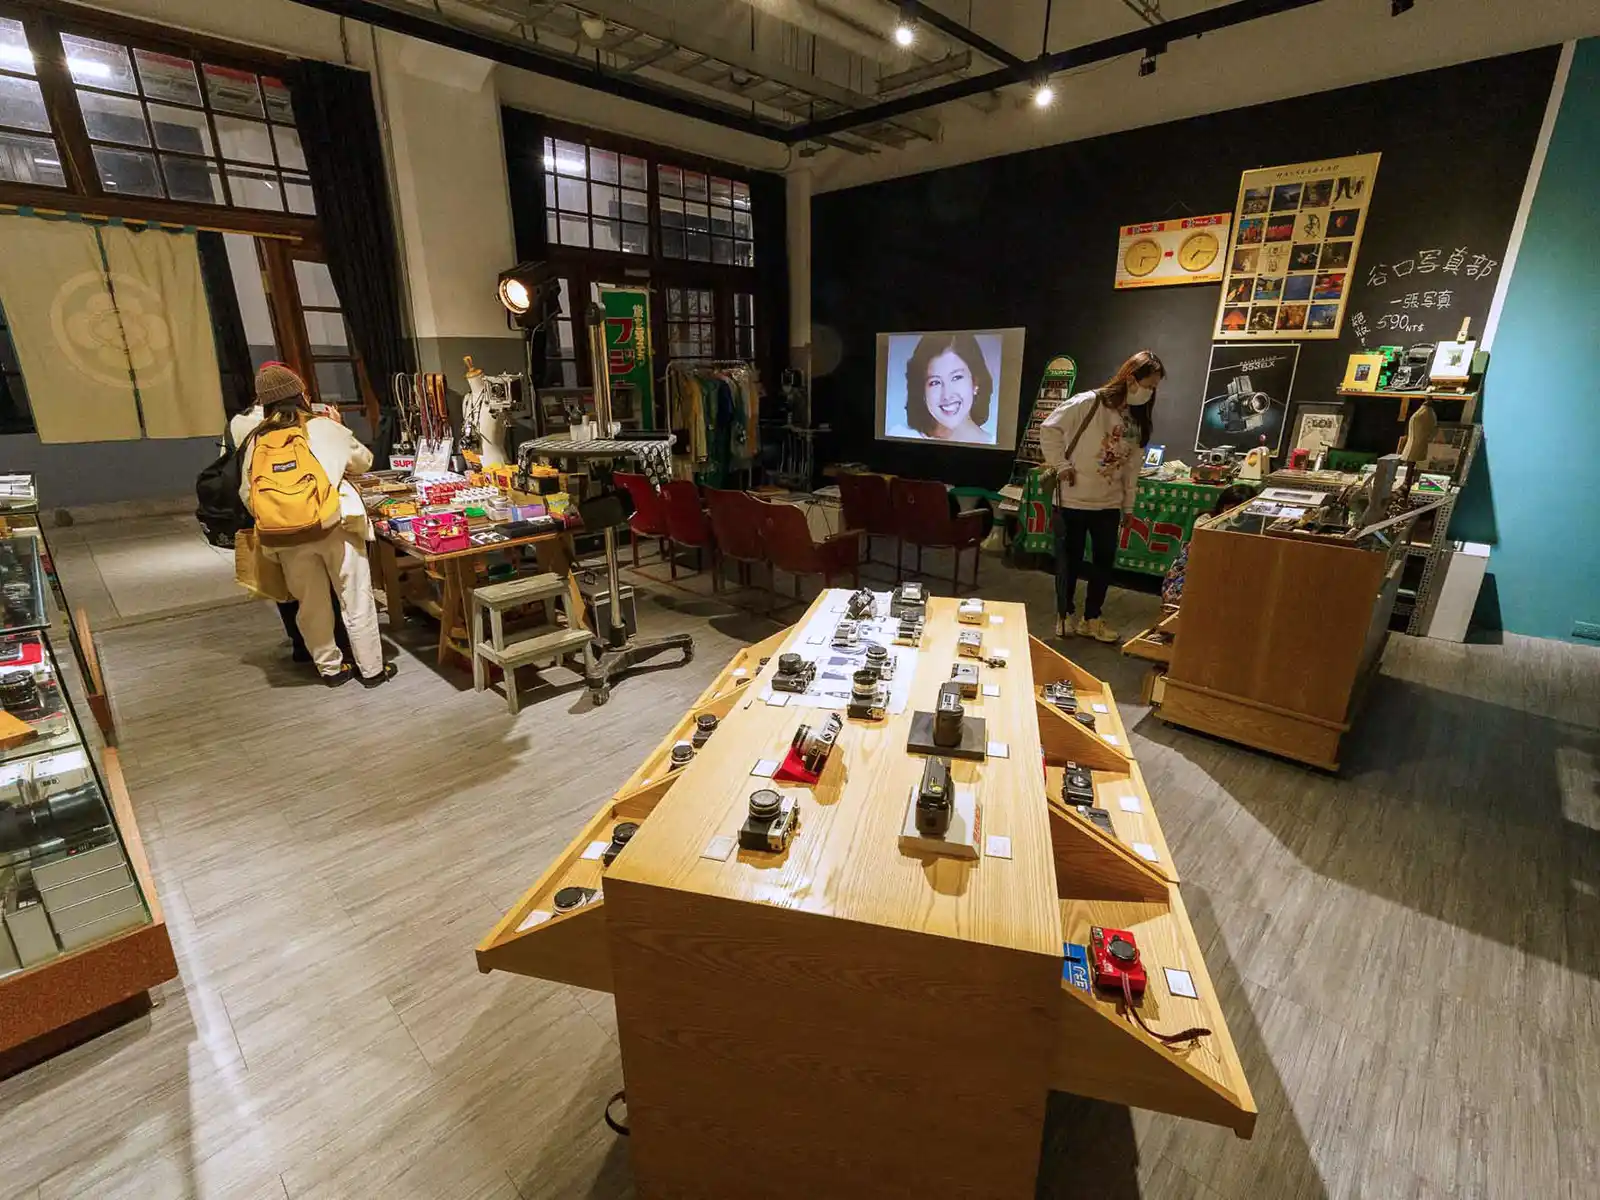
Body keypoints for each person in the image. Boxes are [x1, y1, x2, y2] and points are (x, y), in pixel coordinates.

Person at [238, 363, 394, 687]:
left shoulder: (257, 441)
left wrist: (281, 515)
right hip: (336, 527)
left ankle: (332, 670)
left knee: (311, 604)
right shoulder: (324, 428)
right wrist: (339, 427)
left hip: (287, 537)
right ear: (302, 395)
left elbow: (247, 493)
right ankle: (372, 670)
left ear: (265, 403)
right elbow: (364, 461)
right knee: (355, 597)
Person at [1039, 350, 1164, 643]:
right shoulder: (1088, 402)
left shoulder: (1136, 419)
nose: (1151, 392)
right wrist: (1061, 465)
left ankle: (1092, 618)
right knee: (1069, 562)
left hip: (1108, 503)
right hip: (1072, 500)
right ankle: (1064, 613)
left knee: (1104, 564)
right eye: (1149, 385)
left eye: (1155, 387)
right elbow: (1050, 428)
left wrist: (1129, 507)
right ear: (1131, 379)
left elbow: (1133, 468)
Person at [230, 386, 354, 668]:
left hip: (279, 529)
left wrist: (271, 517)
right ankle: (364, 663)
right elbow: (358, 460)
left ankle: (325, 665)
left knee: (304, 599)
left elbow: (246, 490)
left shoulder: (250, 433)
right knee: (348, 595)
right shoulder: (313, 428)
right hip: (326, 524)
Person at [1161, 485, 1255, 608]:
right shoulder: (1206, 520)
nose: (1236, 514)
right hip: (1197, 566)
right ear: (1222, 506)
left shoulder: (1251, 526)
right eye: (1231, 508)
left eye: (1241, 510)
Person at [897, 333, 996, 444]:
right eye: (935, 382)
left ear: (975, 382)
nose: (947, 395)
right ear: (923, 392)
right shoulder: (902, 435)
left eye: (956, 377)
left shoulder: (994, 444)